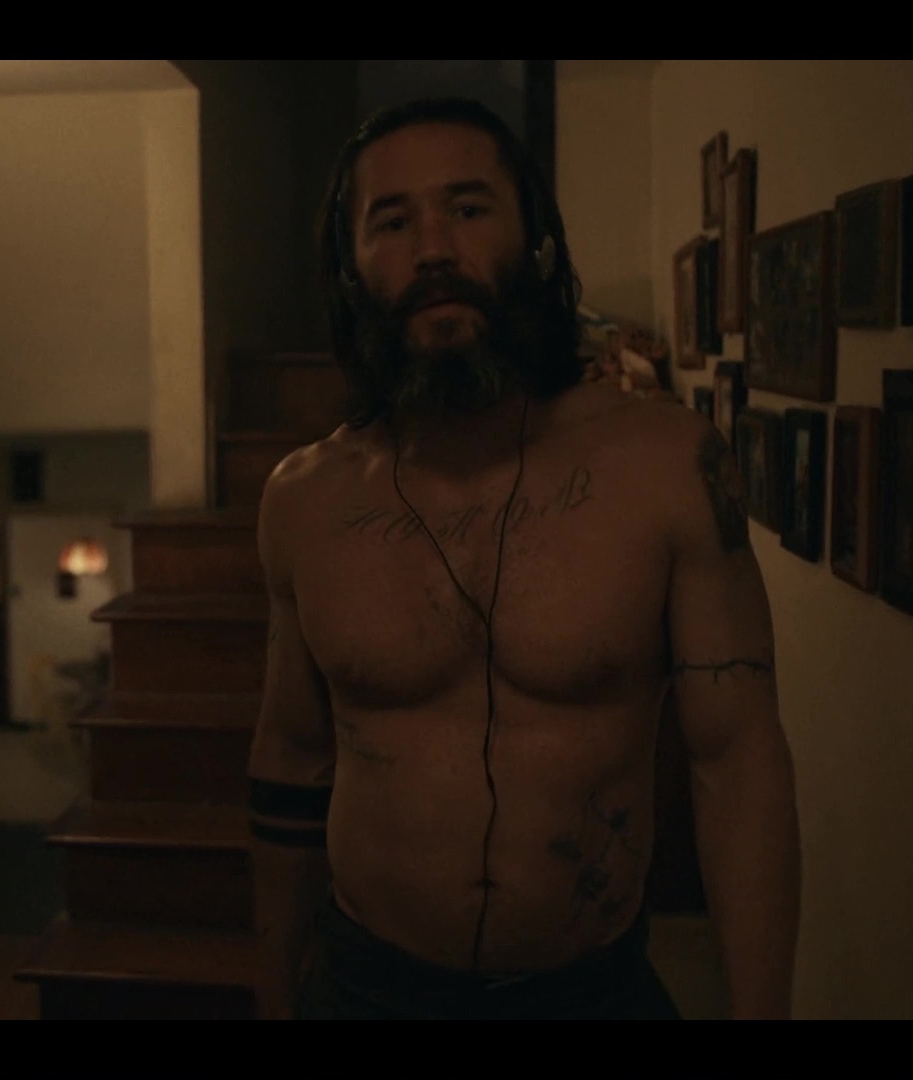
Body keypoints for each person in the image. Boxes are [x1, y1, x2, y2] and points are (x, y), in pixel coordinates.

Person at [246, 97, 800, 1020]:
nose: (433, 249)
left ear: (537, 241)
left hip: (591, 994)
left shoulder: (666, 466)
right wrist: (273, 996)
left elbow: (737, 761)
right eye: (393, 221)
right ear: (350, 269)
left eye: (468, 208)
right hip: (365, 988)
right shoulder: (302, 501)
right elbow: (292, 758)